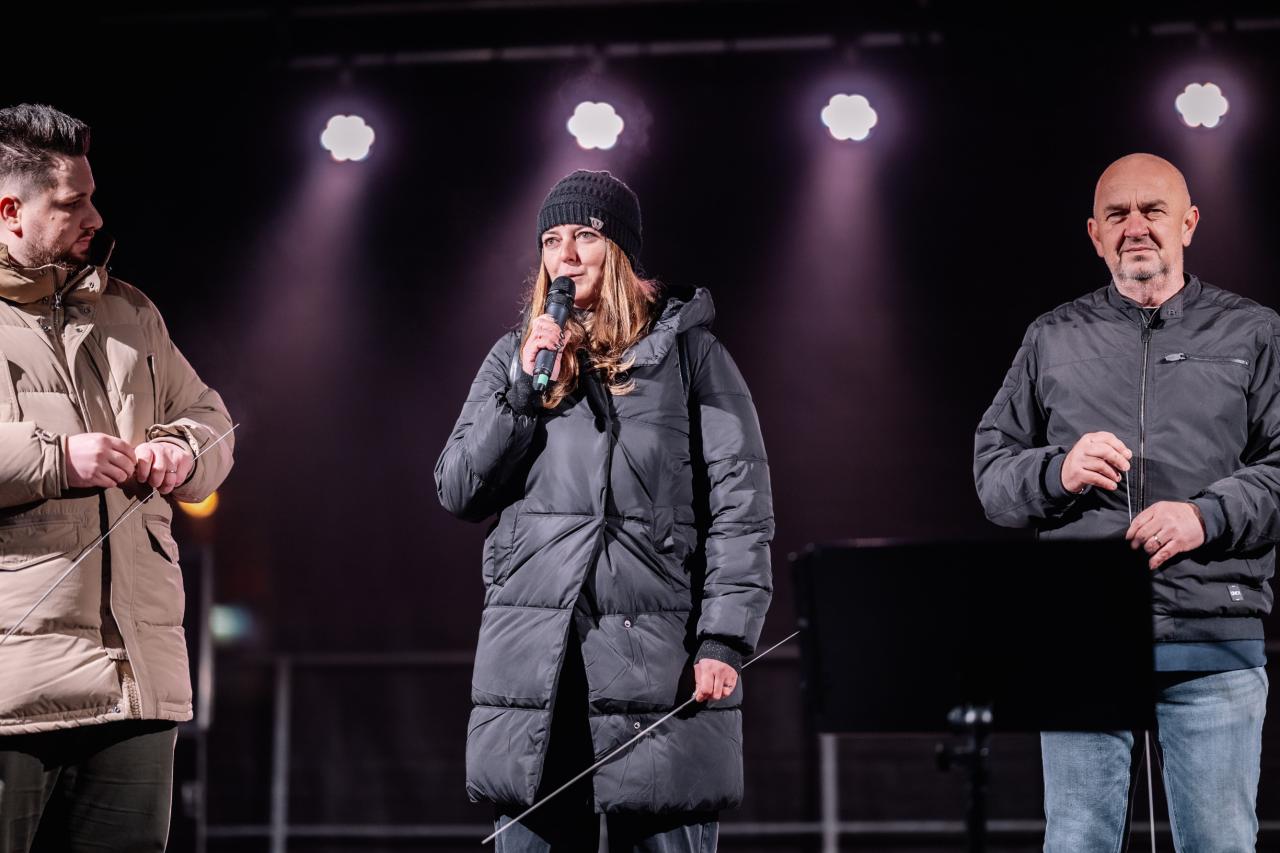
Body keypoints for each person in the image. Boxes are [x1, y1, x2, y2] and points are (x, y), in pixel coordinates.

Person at [436, 169, 773, 852]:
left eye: (584, 237)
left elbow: (742, 506)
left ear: (617, 249)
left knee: (660, 823)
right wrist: (521, 394)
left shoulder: (690, 356)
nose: (564, 255)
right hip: (540, 661)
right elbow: (458, 487)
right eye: (550, 240)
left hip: (657, 659)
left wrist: (725, 639)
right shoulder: (515, 359)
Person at [974, 153, 1278, 851]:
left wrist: (1205, 516)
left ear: (1188, 224)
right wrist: (1057, 471)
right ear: (1094, 233)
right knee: (1076, 841)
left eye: (1152, 210)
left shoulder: (1254, 332)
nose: (1135, 226)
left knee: (1220, 843)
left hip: (1213, 639)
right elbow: (992, 476)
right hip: (1082, 639)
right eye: (1117, 214)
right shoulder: (1051, 337)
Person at [0, 104, 234, 851]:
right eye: (71, 203)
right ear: (9, 211)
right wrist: (55, 458)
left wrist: (184, 452)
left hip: (137, 685)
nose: (95, 218)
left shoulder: (131, 311)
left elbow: (212, 418)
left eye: (92, 197)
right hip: (12, 691)